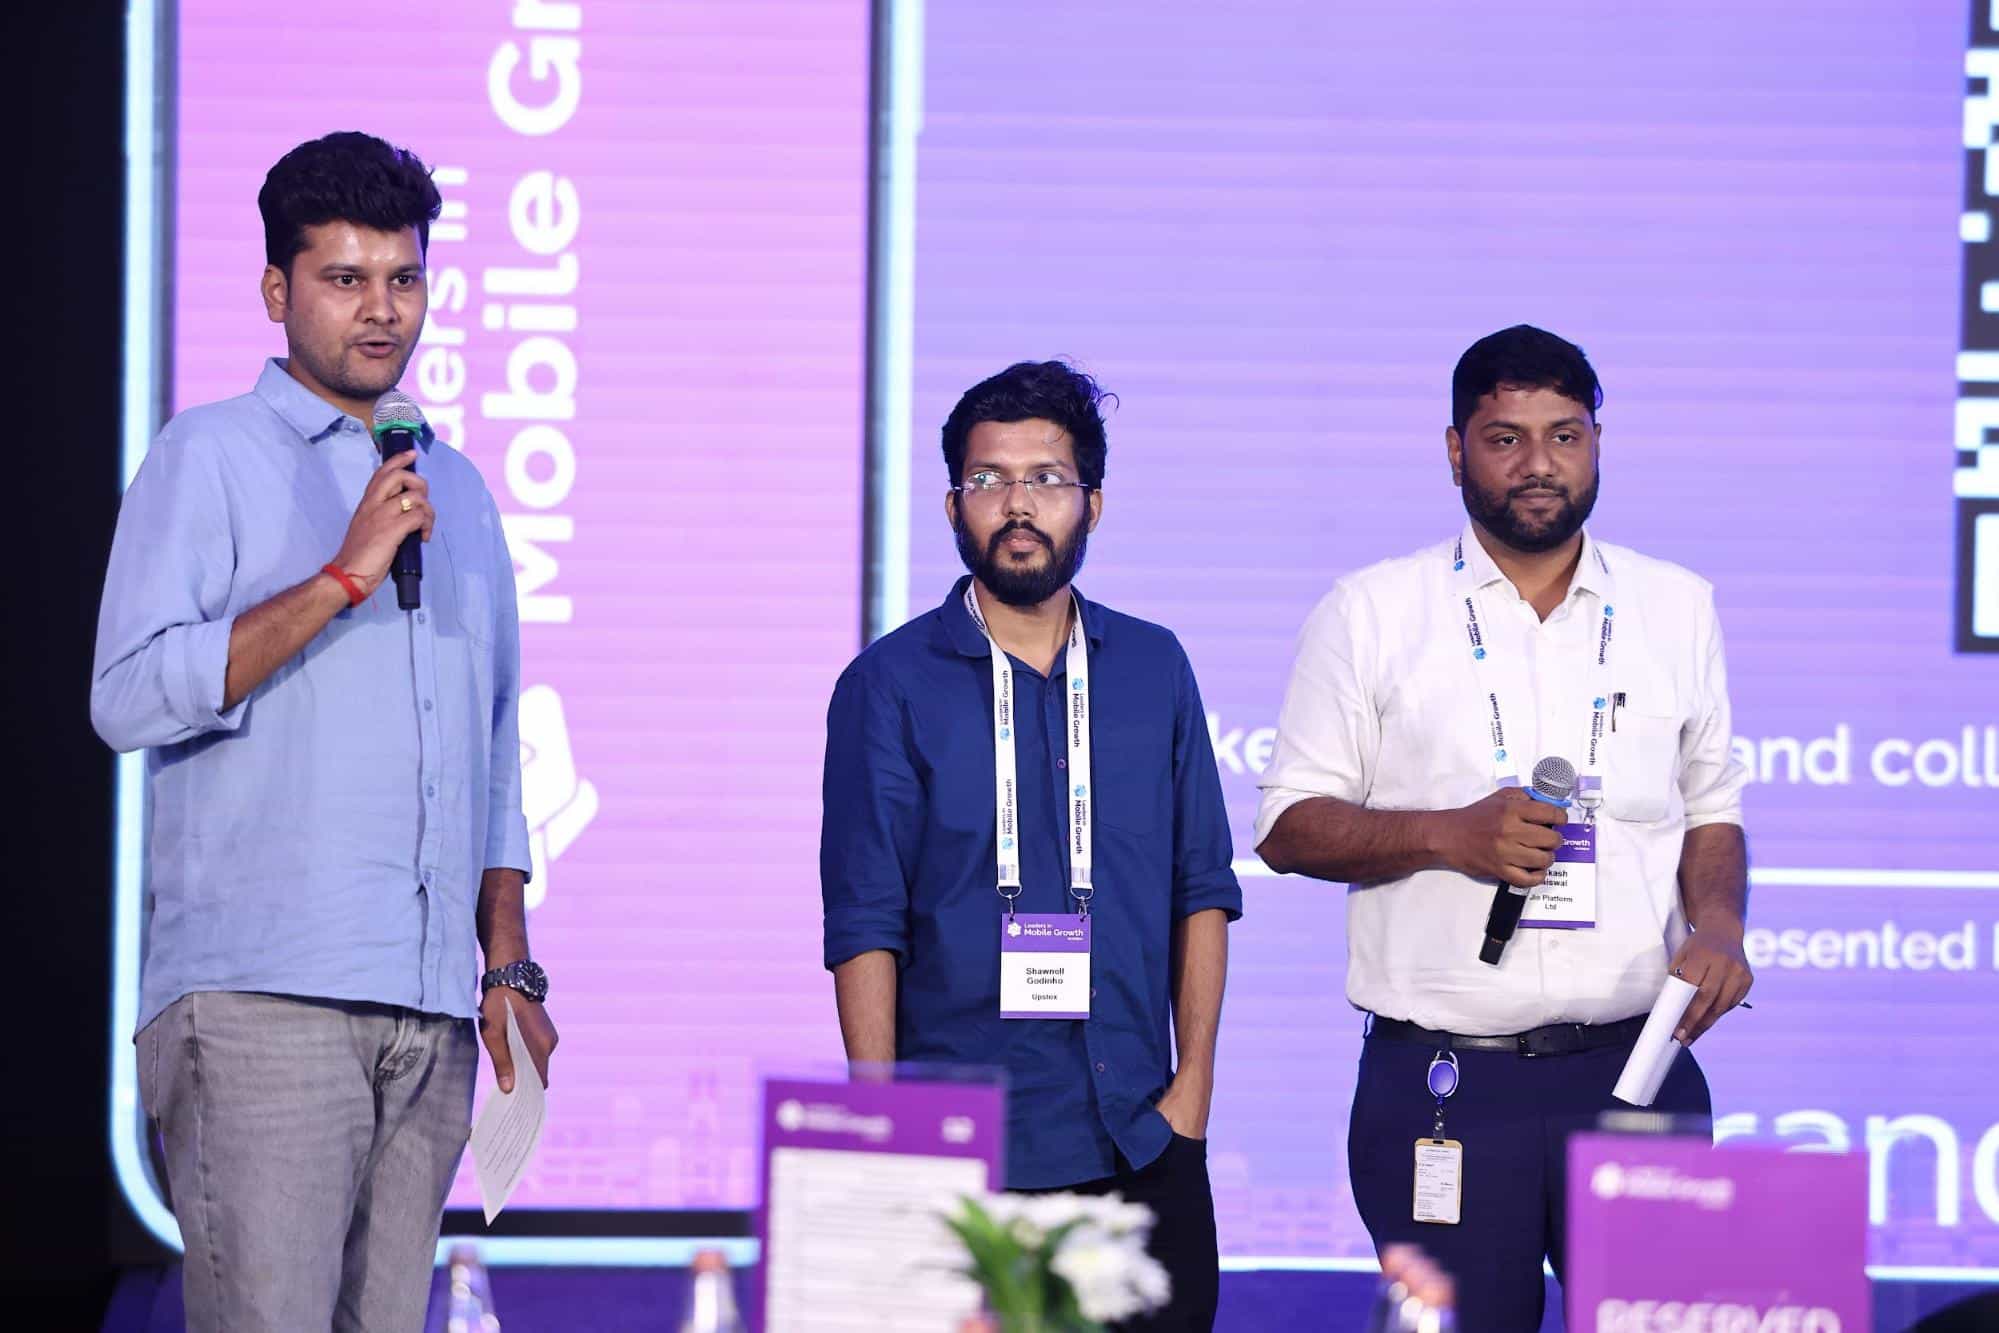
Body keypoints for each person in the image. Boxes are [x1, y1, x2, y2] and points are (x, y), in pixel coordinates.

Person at [91, 131, 557, 1332]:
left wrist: (503, 960)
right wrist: (342, 578)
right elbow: (126, 694)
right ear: (276, 292)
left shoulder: (454, 488)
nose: (382, 311)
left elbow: (494, 747)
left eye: (403, 279)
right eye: (345, 279)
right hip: (260, 997)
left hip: (429, 1010)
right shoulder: (208, 455)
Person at [1255, 325, 1753, 1331]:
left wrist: (1718, 926)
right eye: (1505, 437)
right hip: (1441, 1086)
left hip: (1634, 1072)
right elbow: (1288, 829)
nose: (1538, 464)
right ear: (1453, 449)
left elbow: (1712, 808)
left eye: (1563, 436)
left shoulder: (1675, 607)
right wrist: (1446, 834)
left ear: (1598, 442)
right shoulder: (1370, 611)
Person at [820, 361, 1242, 1331]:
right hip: (965, 1167)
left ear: (1092, 502)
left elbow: (1201, 891)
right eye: (989, 479)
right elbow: (864, 920)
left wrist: (1192, 1100)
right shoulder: (887, 685)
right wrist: (887, 1133)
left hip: (1141, 1143)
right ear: (951, 503)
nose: (1017, 503)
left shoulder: (1153, 666)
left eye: (1046, 478)